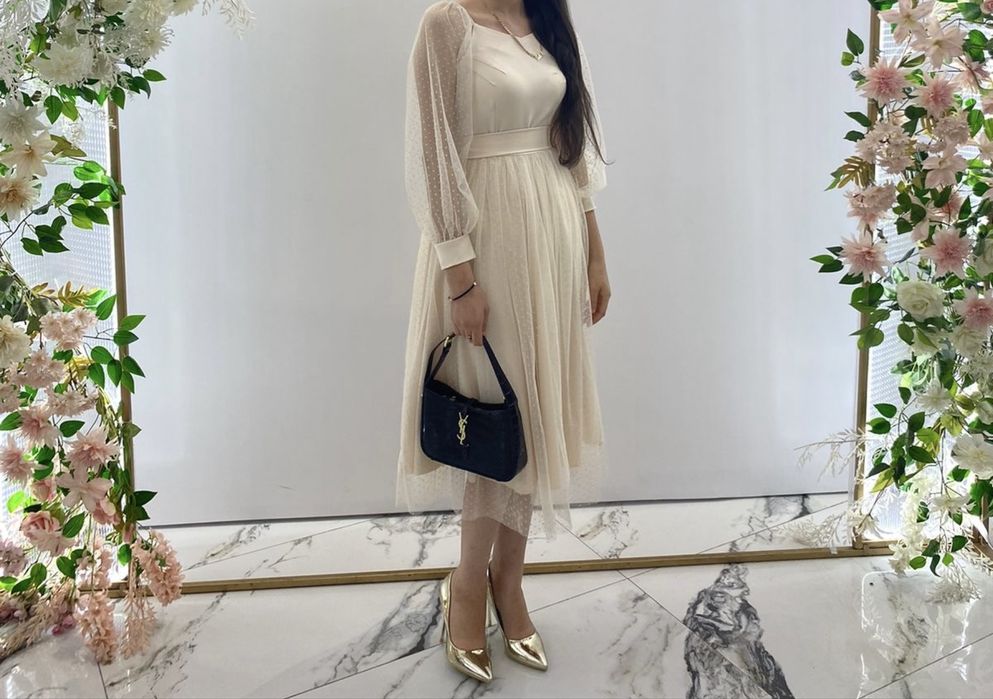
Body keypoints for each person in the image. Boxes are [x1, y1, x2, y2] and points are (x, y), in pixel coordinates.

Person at [395, 0, 610, 683]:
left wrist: (595, 252)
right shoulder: (446, 24)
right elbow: (434, 154)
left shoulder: (546, 17)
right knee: (495, 419)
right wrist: (459, 276)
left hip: (553, 231)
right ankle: (466, 585)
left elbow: (570, 141)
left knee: (534, 417)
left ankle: (508, 581)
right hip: (487, 241)